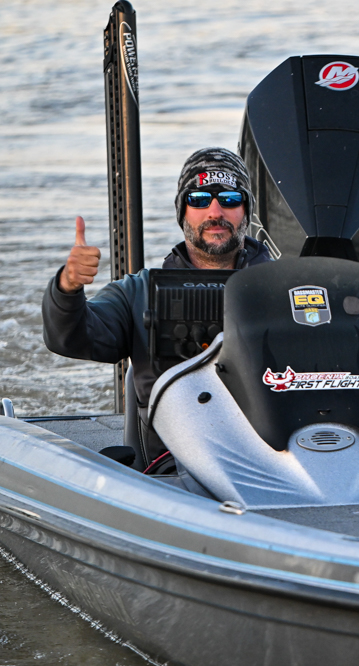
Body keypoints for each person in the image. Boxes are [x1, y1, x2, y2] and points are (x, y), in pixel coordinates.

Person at [42, 147, 272, 461]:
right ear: (182, 211)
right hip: (171, 470)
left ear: (246, 210)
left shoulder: (287, 289)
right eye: (199, 199)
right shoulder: (138, 292)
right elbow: (70, 338)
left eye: (230, 199)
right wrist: (67, 288)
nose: (215, 212)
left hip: (274, 461)